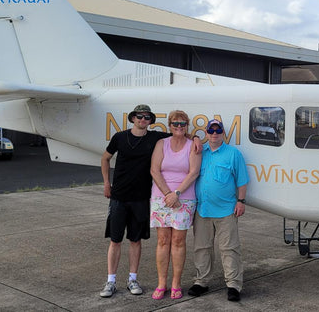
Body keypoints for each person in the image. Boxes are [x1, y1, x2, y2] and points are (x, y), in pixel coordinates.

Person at [100, 104, 200, 298]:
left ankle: (133, 279)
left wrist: (195, 137)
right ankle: (111, 281)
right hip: (122, 196)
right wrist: (106, 183)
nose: (142, 120)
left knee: (136, 240)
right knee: (116, 240)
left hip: (142, 197)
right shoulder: (120, 137)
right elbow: (106, 159)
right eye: (139, 116)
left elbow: (182, 137)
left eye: (147, 117)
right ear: (132, 118)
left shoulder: (155, 137)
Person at [188, 119, 250, 302]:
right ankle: (202, 281)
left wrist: (241, 201)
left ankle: (233, 285)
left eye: (218, 130)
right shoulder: (199, 152)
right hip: (203, 209)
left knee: (230, 249)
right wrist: (194, 137)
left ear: (223, 133)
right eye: (211, 130)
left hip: (226, 210)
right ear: (206, 133)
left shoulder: (233, 154)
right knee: (201, 248)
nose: (214, 134)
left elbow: (242, 180)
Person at [149, 110, 201, 300]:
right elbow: (154, 170)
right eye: (175, 124)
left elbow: (194, 172)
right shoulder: (161, 144)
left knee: (178, 241)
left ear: (187, 126)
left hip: (184, 198)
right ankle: (162, 283)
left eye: (183, 124)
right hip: (161, 197)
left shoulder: (192, 146)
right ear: (169, 126)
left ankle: (176, 283)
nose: (179, 127)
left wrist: (177, 193)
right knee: (163, 240)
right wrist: (168, 194)